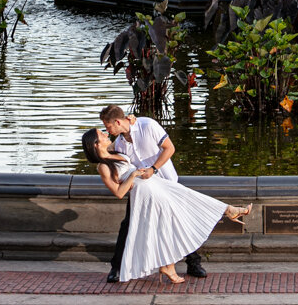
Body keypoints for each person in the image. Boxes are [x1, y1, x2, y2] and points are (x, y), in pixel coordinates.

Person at [85, 106, 251, 284]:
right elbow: (111, 167)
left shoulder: (147, 125)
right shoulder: (118, 145)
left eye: (107, 126)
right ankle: (118, 267)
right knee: (129, 225)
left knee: (179, 220)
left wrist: (153, 168)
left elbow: (169, 148)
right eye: (103, 130)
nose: (106, 131)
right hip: (143, 191)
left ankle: (191, 262)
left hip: (164, 181)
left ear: (117, 122)